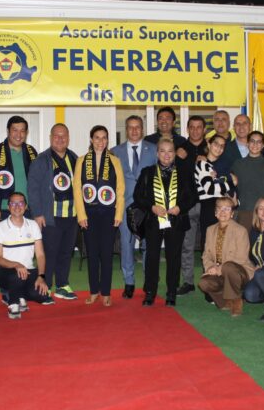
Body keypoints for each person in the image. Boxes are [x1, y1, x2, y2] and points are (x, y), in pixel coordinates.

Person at [133, 137, 195, 306]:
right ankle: (150, 292)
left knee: (173, 258)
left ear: (175, 153)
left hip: (176, 221)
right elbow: (138, 196)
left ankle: (171, 292)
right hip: (153, 221)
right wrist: (152, 207)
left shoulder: (184, 172)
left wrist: (180, 207)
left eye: (170, 151)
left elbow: (192, 196)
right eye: (162, 151)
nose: (166, 155)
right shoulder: (147, 172)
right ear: (157, 153)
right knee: (152, 257)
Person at [73, 125, 125, 307]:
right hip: (89, 213)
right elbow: (77, 190)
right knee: (92, 253)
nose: (100, 141)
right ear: (91, 139)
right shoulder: (81, 161)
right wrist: (81, 215)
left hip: (109, 213)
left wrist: (119, 213)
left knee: (106, 254)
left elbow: (120, 189)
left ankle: (106, 292)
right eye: (97, 137)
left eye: (104, 138)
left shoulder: (115, 161)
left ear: (107, 140)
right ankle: (94, 291)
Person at [27, 123, 79, 300]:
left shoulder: (74, 158)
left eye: (63, 135)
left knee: (66, 252)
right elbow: (32, 188)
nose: (60, 139)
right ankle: (45, 287)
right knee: (49, 253)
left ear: (68, 138)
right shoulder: (41, 160)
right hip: (50, 217)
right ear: (50, 138)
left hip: (72, 215)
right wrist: (37, 213)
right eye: (56, 135)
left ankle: (62, 285)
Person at [111, 115, 157, 298]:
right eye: (130, 127)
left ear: (142, 129)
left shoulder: (154, 150)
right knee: (126, 245)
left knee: (148, 245)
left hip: (148, 206)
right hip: (125, 206)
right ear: (126, 129)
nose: (134, 130)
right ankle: (129, 282)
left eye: (137, 127)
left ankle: (148, 281)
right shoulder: (115, 152)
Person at [0, 192, 53, 319]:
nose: (17, 206)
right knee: (17, 276)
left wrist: (41, 276)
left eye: (20, 203)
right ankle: (13, 303)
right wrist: (16, 265)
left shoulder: (33, 225)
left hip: (28, 270)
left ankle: (18, 294)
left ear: (25, 207)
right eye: (13, 203)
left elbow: (40, 255)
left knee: (42, 295)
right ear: (8, 207)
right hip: (5, 271)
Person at [198, 197, 253, 316]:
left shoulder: (241, 230)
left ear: (232, 213)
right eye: (220, 208)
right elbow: (206, 254)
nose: (223, 212)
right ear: (215, 213)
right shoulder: (210, 230)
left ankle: (236, 301)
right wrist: (210, 267)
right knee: (204, 283)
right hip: (219, 271)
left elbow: (241, 258)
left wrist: (219, 269)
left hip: (239, 272)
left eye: (227, 209)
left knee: (228, 267)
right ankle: (225, 302)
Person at [175, 115, 207, 296]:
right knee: (186, 245)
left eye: (199, 127)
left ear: (204, 129)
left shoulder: (211, 148)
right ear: (187, 129)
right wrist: (179, 158)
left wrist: (208, 160)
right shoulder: (180, 149)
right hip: (186, 204)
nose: (195, 130)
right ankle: (188, 282)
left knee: (208, 245)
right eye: (192, 127)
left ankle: (209, 281)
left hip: (208, 204)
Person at [0, 115, 37, 222]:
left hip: (28, 209)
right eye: (15, 130)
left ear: (26, 133)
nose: (19, 135)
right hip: (3, 209)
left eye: (22, 131)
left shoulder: (31, 152)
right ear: (8, 131)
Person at [231, 131, 264, 233]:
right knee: (243, 242)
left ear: (263, 145)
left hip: (262, 214)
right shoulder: (238, 165)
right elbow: (230, 188)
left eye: (259, 142)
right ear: (247, 143)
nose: (255, 144)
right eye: (252, 141)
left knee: (262, 242)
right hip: (242, 213)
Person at [196, 134, 237, 249]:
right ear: (209, 144)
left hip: (222, 205)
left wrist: (234, 200)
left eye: (222, 146)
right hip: (208, 206)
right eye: (216, 144)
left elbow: (228, 190)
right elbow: (210, 189)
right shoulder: (202, 164)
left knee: (222, 242)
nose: (219, 148)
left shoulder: (221, 166)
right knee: (209, 241)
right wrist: (231, 183)